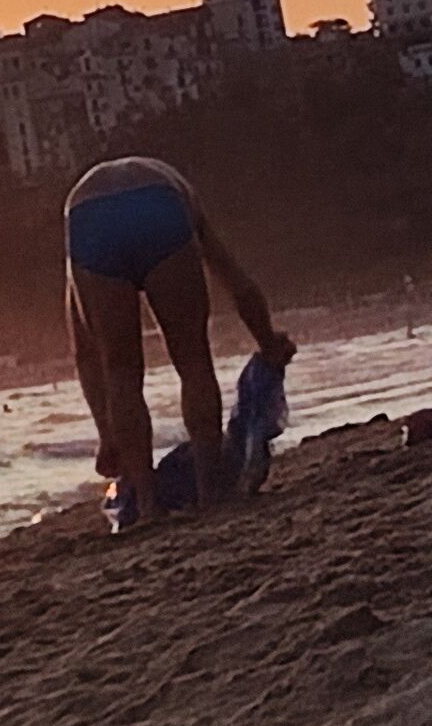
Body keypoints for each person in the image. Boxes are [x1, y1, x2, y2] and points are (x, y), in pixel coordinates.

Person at [61, 157, 290, 531]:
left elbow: (85, 351)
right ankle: (210, 492)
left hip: (89, 217)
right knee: (193, 360)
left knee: (120, 371)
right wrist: (268, 341)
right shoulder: (177, 188)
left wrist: (107, 434)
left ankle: (148, 507)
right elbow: (236, 281)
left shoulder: (81, 201)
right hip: (159, 207)